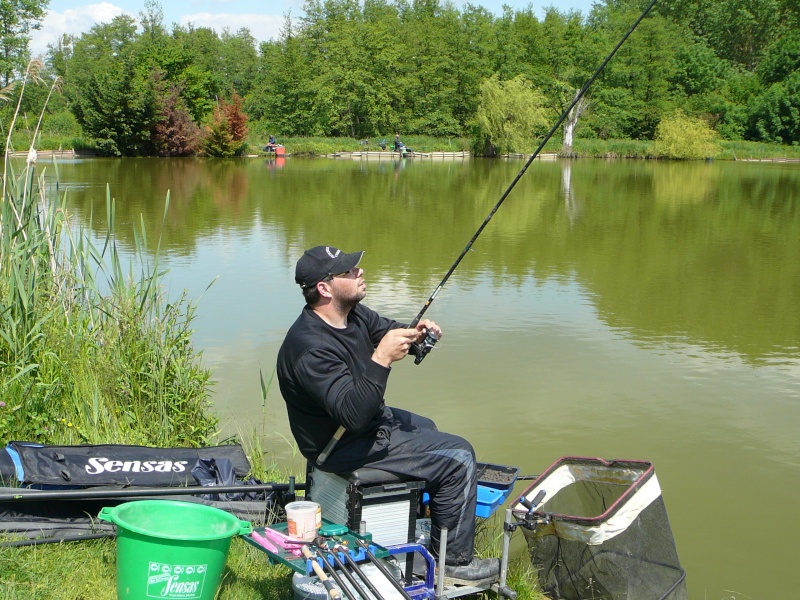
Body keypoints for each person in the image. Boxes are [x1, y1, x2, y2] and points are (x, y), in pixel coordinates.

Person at [276, 246, 499, 581]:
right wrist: (381, 358)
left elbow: (389, 333)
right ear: (325, 288)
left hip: (360, 426)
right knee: (459, 455)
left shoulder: (352, 315)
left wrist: (419, 338)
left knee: (428, 428)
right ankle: (454, 563)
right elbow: (353, 415)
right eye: (348, 271)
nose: (359, 272)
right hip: (339, 445)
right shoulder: (311, 347)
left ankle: (420, 527)